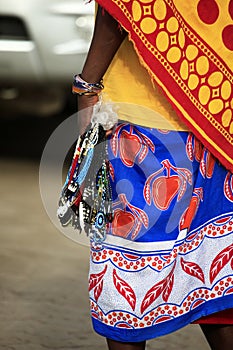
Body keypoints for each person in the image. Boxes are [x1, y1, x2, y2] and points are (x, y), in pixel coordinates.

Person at [75, 2, 233, 349]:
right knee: (219, 276)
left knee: (128, 286)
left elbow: (121, 7)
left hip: (145, 127)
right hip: (220, 122)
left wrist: (86, 86)